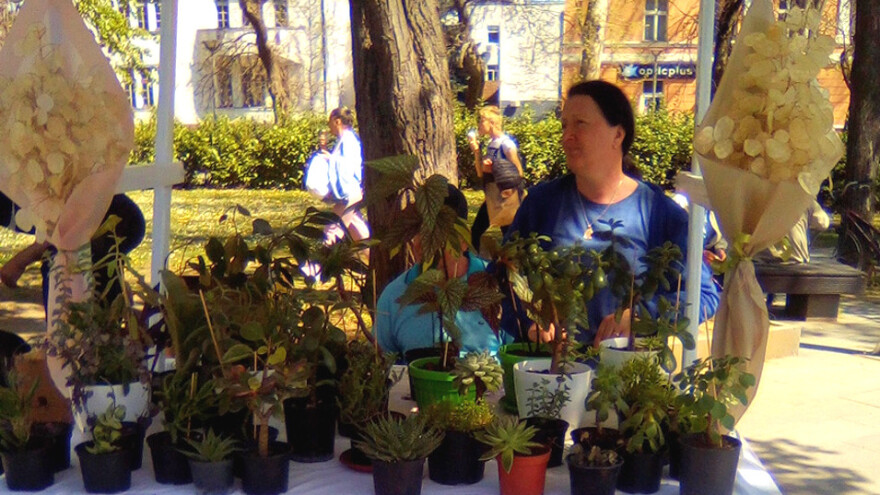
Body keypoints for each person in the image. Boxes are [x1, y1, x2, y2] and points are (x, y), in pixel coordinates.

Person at [503, 80, 719, 347]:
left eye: (580, 123)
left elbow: (704, 296)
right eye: (564, 125)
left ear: (618, 135)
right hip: (548, 378)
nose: (567, 136)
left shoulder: (659, 214)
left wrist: (639, 317)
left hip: (629, 378)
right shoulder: (541, 204)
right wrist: (531, 322)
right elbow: (501, 281)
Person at [373, 185, 512, 356]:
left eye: (438, 234)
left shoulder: (496, 283)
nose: (426, 244)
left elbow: (516, 360)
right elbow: (382, 365)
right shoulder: (395, 296)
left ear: (463, 239)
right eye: (419, 232)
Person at [0, 192, 146, 313]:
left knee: (59, 266)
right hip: (82, 229)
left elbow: (70, 217)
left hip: (109, 220)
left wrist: (22, 259)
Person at [467, 106, 525, 252]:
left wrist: (495, 169)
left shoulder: (507, 145)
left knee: (510, 240)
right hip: (492, 198)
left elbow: (519, 173)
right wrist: (476, 151)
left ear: (491, 123)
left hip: (506, 200)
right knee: (475, 232)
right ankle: (477, 268)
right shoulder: (491, 144)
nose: (479, 125)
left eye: (482, 121)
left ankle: (513, 271)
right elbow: (481, 174)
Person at [323, 107, 370, 243]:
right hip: (351, 193)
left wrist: (330, 159)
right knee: (360, 234)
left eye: (330, 121)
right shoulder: (346, 139)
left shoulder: (348, 140)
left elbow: (350, 166)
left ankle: (319, 262)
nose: (329, 125)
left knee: (332, 230)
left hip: (349, 193)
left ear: (337, 121)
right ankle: (376, 259)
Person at [756, 200, 830, 264]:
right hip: (794, 262)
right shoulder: (804, 198)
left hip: (761, 261)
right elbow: (823, 223)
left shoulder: (761, 195)